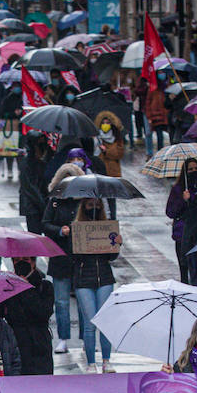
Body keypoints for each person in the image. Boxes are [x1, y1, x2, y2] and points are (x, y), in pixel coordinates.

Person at [69, 197, 119, 372]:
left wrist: (116, 243)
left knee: (104, 321)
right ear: (84, 207)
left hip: (104, 277)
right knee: (90, 323)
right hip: (84, 279)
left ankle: (106, 360)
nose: (94, 208)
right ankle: (91, 363)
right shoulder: (76, 228)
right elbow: (72, 256)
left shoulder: (107, 226)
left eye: (97, 205)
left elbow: (112, 257)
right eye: (90, 205)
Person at [42, 160, 84, 355]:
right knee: (61, 302)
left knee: (83, 300)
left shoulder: (84, 200)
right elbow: (45, 224)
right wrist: (60, 231)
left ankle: (86, 337)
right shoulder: (55, 201)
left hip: (82, 258)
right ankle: (63, 338)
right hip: (60, 258)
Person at [0, 256, 56, 376]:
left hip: (39, 344)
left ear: (33, 262)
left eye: (25, 259)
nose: (21, 263)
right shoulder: (7, 286)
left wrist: (26, 288)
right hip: (15, 343)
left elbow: (43, 312)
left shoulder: (45, 286)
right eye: (16, 260)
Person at [165, 157, 197, 252]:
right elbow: (170, 212)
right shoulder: (178, 189)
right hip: (182, 233)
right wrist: (182, 200)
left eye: (196, 168)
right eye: (190, 169)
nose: (194, 171)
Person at [95, 111, 125, 177]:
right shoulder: (96, 137)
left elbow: (119, 154)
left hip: (113, 171)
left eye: (108, 123)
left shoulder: (117, 137)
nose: (105, 125)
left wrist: (106, 151)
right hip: (100, 172)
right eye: (103, 123)